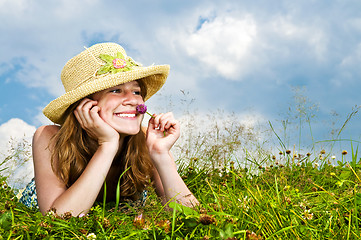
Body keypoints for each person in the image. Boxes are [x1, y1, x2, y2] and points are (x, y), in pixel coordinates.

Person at [19, 42, 198, 216]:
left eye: (136, 92)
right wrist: (107, 145)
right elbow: (57, 219)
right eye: (116, 90)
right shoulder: (50, 137)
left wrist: (160, 155)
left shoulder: (147, 139)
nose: (134, 101)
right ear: (85, 104)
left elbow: (192, 217)